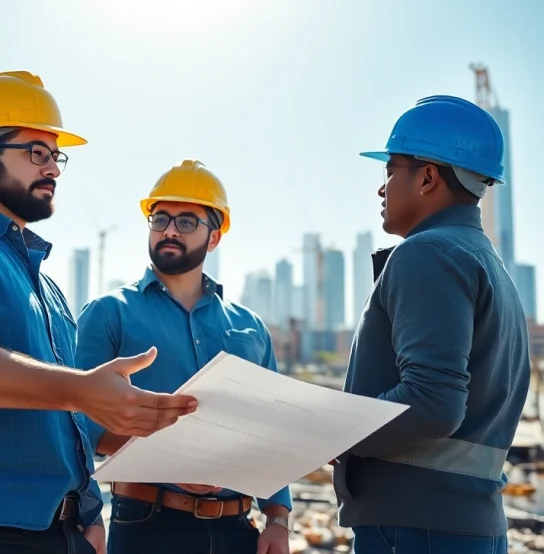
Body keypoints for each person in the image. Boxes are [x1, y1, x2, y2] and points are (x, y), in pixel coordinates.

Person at [0, 71, 198, 554]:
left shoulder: (47, 289)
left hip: (65, 534)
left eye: (56, 156)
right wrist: (82, 389)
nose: (53, 167)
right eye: (37, 152)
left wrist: (91, 512)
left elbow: (66, 421)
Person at [333, 95, 530, 554]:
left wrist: (336, 433)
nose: (381, 189)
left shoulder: (427, 253)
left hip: (413, 529)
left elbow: (434, 402)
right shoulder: (488, 264)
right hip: (468, 526)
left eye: (390, 171)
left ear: (426, 177)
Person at [74, 160, 292, 554]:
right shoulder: (109, 314)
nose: (170, 230)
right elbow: (77, 425)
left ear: (214, 238)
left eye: (187, 221)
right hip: (148, 527)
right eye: (160, 219)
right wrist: (169, 460)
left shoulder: (251, 327)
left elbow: (270, 428)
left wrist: (277, 519)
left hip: (239, 530)